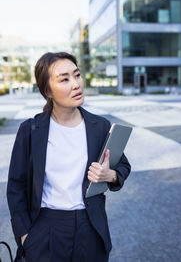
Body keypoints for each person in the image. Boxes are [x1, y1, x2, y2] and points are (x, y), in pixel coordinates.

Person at [7, 52, 131, 262]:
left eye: (77, 75)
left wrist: (109, 175)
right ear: (48, 91)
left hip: (90, 226)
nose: (76, 84)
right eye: (64, 79)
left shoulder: (99, 126)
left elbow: (123, 167)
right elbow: (16, 186)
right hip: (46, 227)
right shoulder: (30, 130)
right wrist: (24, 236)